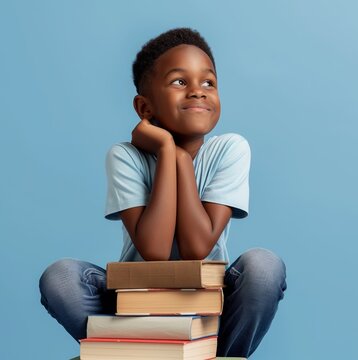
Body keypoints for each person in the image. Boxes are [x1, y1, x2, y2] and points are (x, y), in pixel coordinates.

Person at [39, 27, 287, 358]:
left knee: (264, 266)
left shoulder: (230, 148)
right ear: (145, 108)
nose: (198, 92)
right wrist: (167, 151)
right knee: (60, 276)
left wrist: (179, 158)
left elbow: (196, 248)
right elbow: (154, 251)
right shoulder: (125, 156)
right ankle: (123, 351)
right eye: (180, 82)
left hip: (208, 304)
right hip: (134, 304)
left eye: (208, 82)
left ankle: (221, 356)